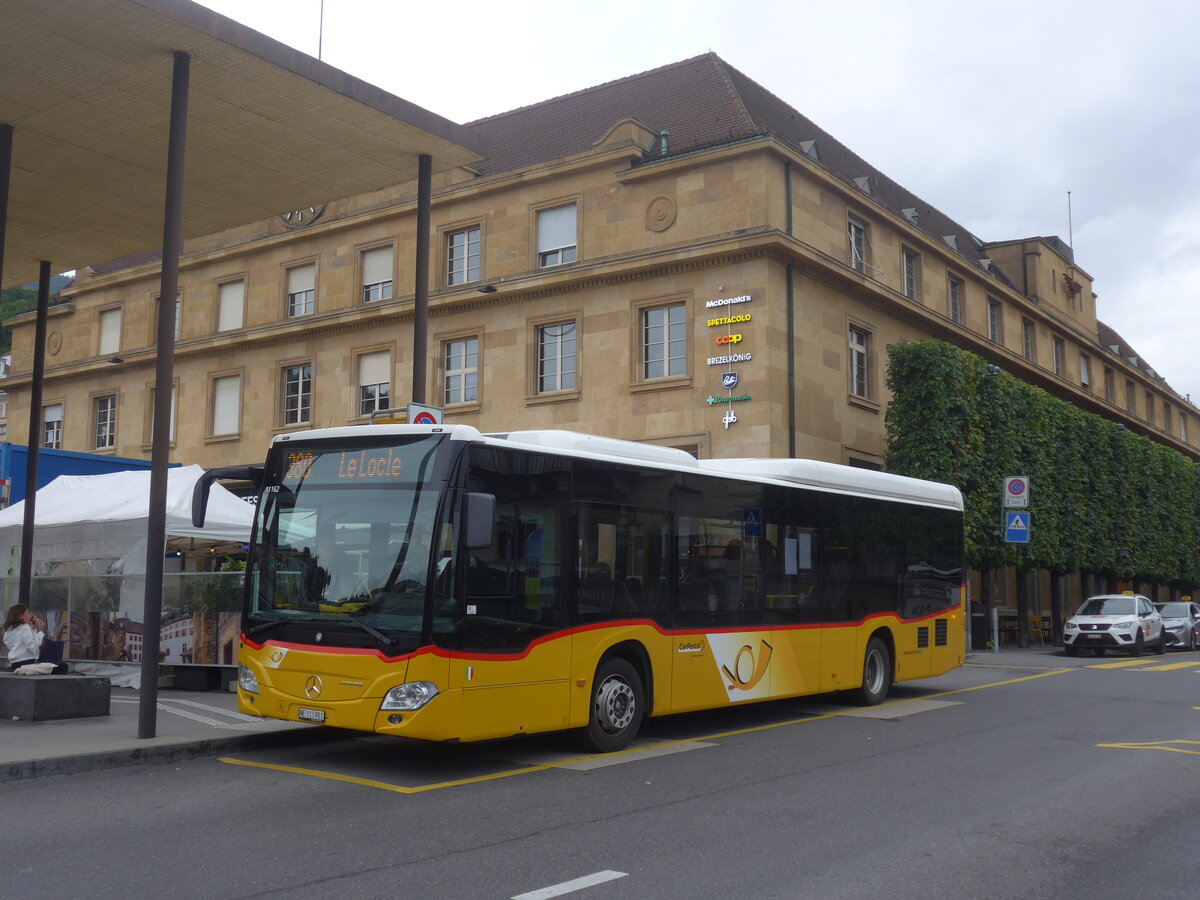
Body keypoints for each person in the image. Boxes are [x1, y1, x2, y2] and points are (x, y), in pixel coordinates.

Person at [2, 603, 46, 672]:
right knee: (58, 667)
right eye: (27, 612)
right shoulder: (25, 628)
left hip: (15, 664)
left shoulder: (10, 630)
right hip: (26, 662)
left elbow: (15, 644)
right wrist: (40, 632)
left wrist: (33, 630)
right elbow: (33, 648)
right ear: (21, 616)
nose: (30, 614)